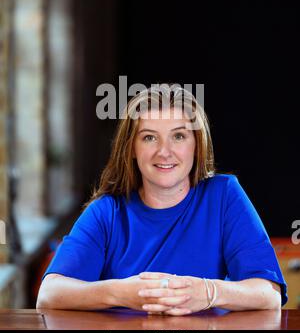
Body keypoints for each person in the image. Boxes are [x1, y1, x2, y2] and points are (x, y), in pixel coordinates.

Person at [37, 84, 287, 315]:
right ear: (132, 149)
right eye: (149, 137)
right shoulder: (107, 212)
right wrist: (122, 293)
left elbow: (269, 295)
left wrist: (209, 292)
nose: (164, 151)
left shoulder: (223, 196)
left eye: (178, 136)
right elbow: (49, 294)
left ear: (196, 145)